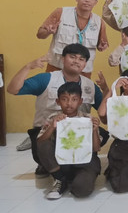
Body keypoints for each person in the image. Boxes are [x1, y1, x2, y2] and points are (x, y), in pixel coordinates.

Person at [7, 44, 106, 178]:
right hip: (49, 130)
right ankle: (50, 166)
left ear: (85, 64)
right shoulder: (47, 79)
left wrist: (106, 90)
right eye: (72, 57)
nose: (76, 61)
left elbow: (104, 116)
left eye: (81, 59)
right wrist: (28, 67)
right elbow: (13, 89)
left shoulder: (90, 86)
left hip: (77, 131)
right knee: (43, 146)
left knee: (103, 134)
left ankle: (79, 161)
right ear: (63, 59)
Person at [36, 82, 102, 200]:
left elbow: (96, 149)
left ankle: (76, 179)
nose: (69, 104)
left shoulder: (87, 119)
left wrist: (95, 130)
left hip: (85, 163)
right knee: (43, 144)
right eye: (64, 99)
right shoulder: (53, 118)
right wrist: (52, 126)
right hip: (62, 163)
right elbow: (40, 142)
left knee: (81, 190)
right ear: (58, 101)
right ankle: (60, 179)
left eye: (74, 99)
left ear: (80, 101)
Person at [37, 0, 109, 77]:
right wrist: (48, 32)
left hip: (83, 73)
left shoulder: (99, 22)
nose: (87, 0)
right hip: (57, 69)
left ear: (96, 2)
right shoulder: (61, 13)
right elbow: (39, 35)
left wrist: (103, 46)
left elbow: (101, 46)